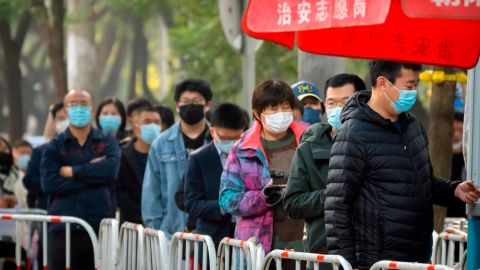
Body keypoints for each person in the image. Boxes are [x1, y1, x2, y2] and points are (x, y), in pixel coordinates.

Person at [324, 60, 480, 269]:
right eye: (409, 86)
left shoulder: (413, 128)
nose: (413, 92)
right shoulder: (353, 134)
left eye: (416, 85)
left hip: (417, 257)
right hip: (376, 261)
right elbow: (337, 206)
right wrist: (347, 264)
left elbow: (421, 182)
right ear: (382, 83)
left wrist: (454, 190)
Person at [219, 80, 307, 255]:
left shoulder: (310, 139)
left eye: (285, 107)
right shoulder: (243, 149)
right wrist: (263, 197)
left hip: (305, 247)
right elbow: (227, 198)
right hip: (259, 247)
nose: (281, 114)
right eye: (273, 109)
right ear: (257, 113)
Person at [283, 73, 365, 256]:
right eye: (331, 103)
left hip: (369, 253)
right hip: (325, 254)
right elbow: (293, 203)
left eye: (345, 102)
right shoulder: (309, 149)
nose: (337, 108)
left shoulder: (375, 144)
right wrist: (331, 194)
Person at [41, 89, 120, 270]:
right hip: (63, 229)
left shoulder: (107, 141)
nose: (79, 108)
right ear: (66, 111)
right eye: (73, 104)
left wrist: (72, 171)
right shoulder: (54, 146)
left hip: (100, 228)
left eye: (83, 104)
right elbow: (49, 184)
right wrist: (93, 173)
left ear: (92, 109)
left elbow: (110, 171)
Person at [142, 79, 212, 236]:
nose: (190, 106)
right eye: (185, 101)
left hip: (211, 231)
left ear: (208, 105)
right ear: (177, 105)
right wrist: (157, 231)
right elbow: (151, 191)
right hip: (171, 232)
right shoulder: (161, 143)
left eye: (196, 101)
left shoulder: (217, 140)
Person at [184, 103, 246, 248]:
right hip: (213, 240)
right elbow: (192, 204)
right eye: (226, 138)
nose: (232, 143)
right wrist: (226, 205)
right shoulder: (198, 158)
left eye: (237, 138)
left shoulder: (250, 155)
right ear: (213, 132)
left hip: (246, 237)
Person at [116, 107, 162, 224]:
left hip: (162, 223)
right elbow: (118, 191)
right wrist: (142, 213)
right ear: (136, 129)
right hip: (132, 225)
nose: (153, 126)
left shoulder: (167, 155)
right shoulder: (122, 155)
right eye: (147, 122)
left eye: (157, 122)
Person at [24, 102, 66, 210]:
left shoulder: (89, 150)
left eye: (69, 118)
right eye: (61, 118)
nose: (66, 122)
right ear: (53, 123)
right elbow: (29, 180)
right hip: (48, 213)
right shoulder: (40, 151)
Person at [448, 112, 467, 217]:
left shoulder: (466, 153)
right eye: (454, 130)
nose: (456, 134)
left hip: (461, 204)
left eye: (460, 130)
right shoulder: (442, 151)